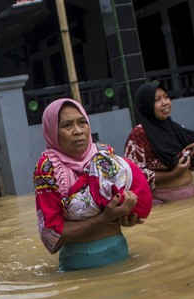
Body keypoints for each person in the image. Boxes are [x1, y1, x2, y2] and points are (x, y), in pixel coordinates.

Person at [34, 98, 149, 272]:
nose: (78, 131)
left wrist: (127, 216)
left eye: (82, 123)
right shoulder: (47, 169)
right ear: (52, 132)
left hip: (119, 252)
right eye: (67, 125)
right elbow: (53, 234)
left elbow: (127, 206)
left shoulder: (105, 154)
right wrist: (105, 218)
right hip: (79, 267)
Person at [124, 82, 194, 205]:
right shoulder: (139, 135)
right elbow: (134, 175)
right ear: (146, 105)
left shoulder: (176, 129)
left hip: (191, 201)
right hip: (162, 205)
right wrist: (172, 174)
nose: (165, 102)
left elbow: (192, 163)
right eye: (157, 100)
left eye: (166, 97)